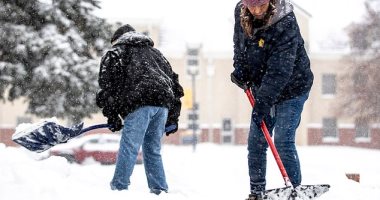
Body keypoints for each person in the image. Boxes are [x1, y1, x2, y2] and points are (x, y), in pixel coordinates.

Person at [230, 0, 314, 199]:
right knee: (256, 141)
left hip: (293, 86)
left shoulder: (285, 20)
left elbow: (279, 70)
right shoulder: (241, 11)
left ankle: (295, 190)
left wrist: (263, 104)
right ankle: (256, 191)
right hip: (263, 85)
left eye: (261, 5)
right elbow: (239, 43)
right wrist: (240, 69)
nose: (257, 11)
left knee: (283, 140)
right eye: (252, 6)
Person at [96, 24, 184, 195]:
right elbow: (174, 86)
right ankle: (159, 189)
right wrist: (172, 117)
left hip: (139, 102)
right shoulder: (157, 55)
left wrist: (112, 116)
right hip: (162, 104)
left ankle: (119, 188)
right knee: (152, 149)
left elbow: (108, 87)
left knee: (129, 146)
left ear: (117, 40)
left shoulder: (116, 52)